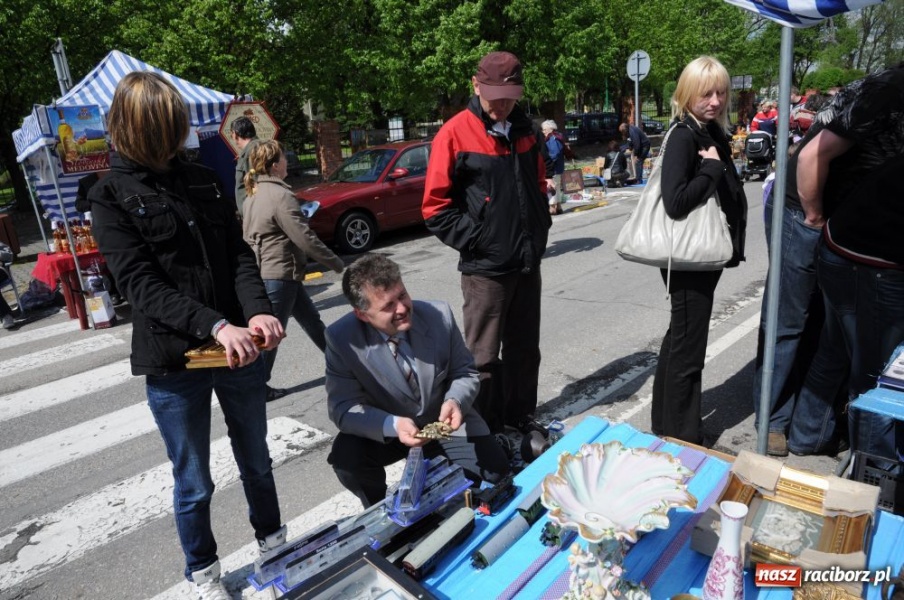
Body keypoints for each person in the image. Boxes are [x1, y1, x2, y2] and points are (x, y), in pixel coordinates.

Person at [89, 71, 287, 599]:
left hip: (238, 348)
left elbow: (238, 254)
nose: (183, 133)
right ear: (142, 128)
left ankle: (275, 550)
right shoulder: (110, 195)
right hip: (175, 360)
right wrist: (215, 325)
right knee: (194, 480)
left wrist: (258, 311)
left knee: (257, 460)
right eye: (171, 125)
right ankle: (204, 574)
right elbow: (139, 285)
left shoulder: (201, 177)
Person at [422, 50, 552, 435]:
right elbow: (434, 208)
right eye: (495, 96)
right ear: (476, 85)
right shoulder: (454, 133)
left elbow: (538, 184)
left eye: (509, 96)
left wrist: (539, 224)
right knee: (482, 357)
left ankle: (519, 417)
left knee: (524, 350)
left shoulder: (527, 130)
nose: (502, 105)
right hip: (486, 270)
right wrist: (480, 240)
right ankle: (487, 430)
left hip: (526, 262)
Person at [324, 253, 511, 507]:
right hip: (390, 433)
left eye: (402, 295)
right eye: (388, 306)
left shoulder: (438, 315)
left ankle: (451, 462)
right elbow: (343, 408)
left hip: (443, 424)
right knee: (347, 460)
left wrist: (455, 401)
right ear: (362, 315)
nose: (402, 308)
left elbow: (465, 372)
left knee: (496, 474)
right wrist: (393, 425)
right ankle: (379, 508)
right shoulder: (342, 339)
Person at [785, 64, 904, 458]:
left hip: (844, 244)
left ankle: (807, 437)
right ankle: (870, 470)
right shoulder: (888, 92)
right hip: (866, 256)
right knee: (873, 371)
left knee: (835, 349)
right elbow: (810, 156)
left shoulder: (883, 89)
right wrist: (813, 217)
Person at [650, 56, 748, 445]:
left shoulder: (708, 131)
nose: (715, 101)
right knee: (689, 349)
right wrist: (711, 170)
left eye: (721, 92)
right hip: (689, 258)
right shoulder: (684, 136)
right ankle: (684, 436)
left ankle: (666, 424)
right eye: (706, 93)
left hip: (701, 257)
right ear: (687, 94)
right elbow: (675, 202)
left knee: (680, 337)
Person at [242, 140, 345, 401]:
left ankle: (343, 365)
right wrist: (336, 262)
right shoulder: (281, 196)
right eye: (285, 157)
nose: (288, 161)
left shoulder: (252, 193)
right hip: (279, 273)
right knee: (270, 337)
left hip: (275, 272)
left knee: (312, 321)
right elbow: (304, 237)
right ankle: (255, 387)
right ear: (275, 165)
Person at [231, 116, 260, 216]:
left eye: (231, 134)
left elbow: (256, 184)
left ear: (235, 134)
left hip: (255, 214)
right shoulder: (254, 148)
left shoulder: (252, 151)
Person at [541, 119, 565, 215]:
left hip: (553, 168)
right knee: (557, 187)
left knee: (551, 187)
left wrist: (548, 162)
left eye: (544, 129)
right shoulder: (557, 136)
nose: (543, 131)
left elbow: (555, 153)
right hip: (558, 167)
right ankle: (558, 206)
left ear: (550, 129)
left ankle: (552, 208)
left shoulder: (552, 138)